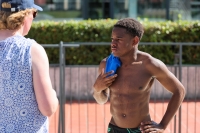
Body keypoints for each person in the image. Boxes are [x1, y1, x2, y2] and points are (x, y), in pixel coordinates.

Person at [93, 18, 185, 133]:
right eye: (112, 39)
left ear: (134, 41)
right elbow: (101, 100)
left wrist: (162, 125)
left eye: (119, 39)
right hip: (114, 128)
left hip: (141, 129)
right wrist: (97, 89)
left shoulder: (149, 64)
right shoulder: (107, 64)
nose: (113, 44)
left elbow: (179, 90)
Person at [0, 0, 58, 132]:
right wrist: (53, 95)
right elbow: (48, 108)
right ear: (25, 16)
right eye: (34, 13)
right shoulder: (31, 50)